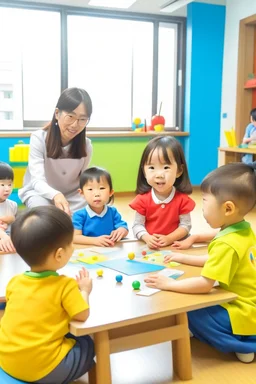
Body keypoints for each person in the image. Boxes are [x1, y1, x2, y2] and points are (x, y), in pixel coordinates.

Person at [145, 162, 256, 363]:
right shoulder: (243, 230)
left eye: (205, 202)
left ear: (228, 208)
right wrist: (184, 257)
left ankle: (244, 343)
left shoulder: (226, 243)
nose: (202, 207)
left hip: (241, 311)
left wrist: (170, 284)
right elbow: (218, 262)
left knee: (189, 308)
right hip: (251, 306)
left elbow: (205, 285)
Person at [0, 206, 95, 383]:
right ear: (59, 254)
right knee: (88, 342)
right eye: (70, 244)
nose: (72, 247)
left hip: (7, 361)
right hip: (45, 370)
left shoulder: (15, 282)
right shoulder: (64, 285)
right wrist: (84, 290)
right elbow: (82, 315)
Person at [18, 87, 93, 215]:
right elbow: (37, 181)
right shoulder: (39, 138)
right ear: (57, 113)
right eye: (70, 116)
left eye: (82, 119)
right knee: (47, 217)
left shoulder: (86, 145)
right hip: (40, 194)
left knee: (95, 209)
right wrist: (55, 195)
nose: (75, 124)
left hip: (72, 197)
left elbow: (82, 181)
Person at [129, 136, 195, 249]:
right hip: (150, 248)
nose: (159, 174)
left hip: (176, 246)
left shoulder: (182, 200)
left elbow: (186, 225)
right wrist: (146, 237)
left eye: (166, 167)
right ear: (144, 171)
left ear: (179, 170)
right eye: (151, 167)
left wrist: (169, 238)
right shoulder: (142, 200)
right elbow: (137, 225)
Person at [73, 166, 128, 247]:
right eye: (90, 189)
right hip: (88, 251)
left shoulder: (112, 212)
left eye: (101, 188)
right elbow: (75, 237)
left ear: (110, 192)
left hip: (110, 250)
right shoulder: (79, 215)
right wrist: (95, 241)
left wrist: (121, 231)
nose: (97, 194)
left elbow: (123, 227)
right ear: (82, 193)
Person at [0, 162, 17, 253]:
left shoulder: (13, 205)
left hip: (10, 244)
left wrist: (12, 219)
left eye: (9, 184)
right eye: (2, 185)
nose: (7, 189)